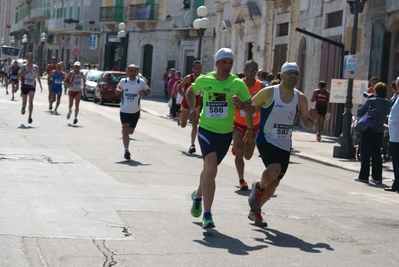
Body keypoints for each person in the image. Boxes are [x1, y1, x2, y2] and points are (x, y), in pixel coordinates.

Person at [187, 48, 255, 229]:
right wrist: (193, 109)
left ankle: (198, 195)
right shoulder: (204, 79)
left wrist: (241, 105)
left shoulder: (237, 84)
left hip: (225, 134)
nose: (227, 66)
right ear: (216, 63)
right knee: (211, 169)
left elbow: (252, 108)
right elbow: (189, 92)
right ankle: (207, 215)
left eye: (230, 63)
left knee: (209, 170)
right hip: (206, 129)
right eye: (224, 62)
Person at [244, 62, 317, 227]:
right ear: (282, 75)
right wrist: (250, 128)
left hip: (284, 142)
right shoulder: (269, 93)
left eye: (296, 73)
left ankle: (255, 211)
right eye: (290, 73)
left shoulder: (301, 98)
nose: (293, 76)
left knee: (275, 181)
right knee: (274, 170)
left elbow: (306, 124)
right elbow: (249, 108)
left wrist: (311, 118)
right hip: (266, 138)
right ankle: (258, 188)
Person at [232, 60, 264, 190]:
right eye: (250, 69)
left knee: (248, 156)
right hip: (238, 123)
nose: (253, 72)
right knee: (239, 152)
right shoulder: (238, 84)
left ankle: (238, 147)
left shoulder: (260, 86)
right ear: (244, 70)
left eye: (255, 70)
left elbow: (265, 104)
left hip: (255, 124)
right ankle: (241, 180)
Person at [355, 82, 391, 184]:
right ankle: (377, 177)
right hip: (379, 131)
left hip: (368, 130)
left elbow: (360, 111)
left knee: (365, 154)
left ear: (376, 91)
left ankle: (363, 176)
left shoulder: (371, 101)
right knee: (377, 154)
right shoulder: (387, 102)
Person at [115, 64, 151, 160]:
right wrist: (117, 90)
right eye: (131, 71)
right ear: (127, 72)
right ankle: (126, 150)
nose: (132, 73)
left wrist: (144, 93)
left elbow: (149, 91)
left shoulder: (141, 82)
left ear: (137, 72)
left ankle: (125, 131)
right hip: (124, 110)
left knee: (130, 131)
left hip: (135, 111)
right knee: (126, 129)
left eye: (134, 71)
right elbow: (117, 88)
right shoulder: (123, 82)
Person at [177, 60, 202, 154]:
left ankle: (192, 144)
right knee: (183, 125)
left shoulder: (203, 78)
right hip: (187, 102)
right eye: (196, 68)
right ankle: (181, 118)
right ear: (192, 69)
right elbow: (179, 87)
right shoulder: (188, 78)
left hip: (197, 102)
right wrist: (183, 95)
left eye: (199, 68)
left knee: (195, 123)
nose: (198, 70)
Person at [18, 52, 43, 124]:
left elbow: (37, 76)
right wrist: (26, 71)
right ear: (26, 59)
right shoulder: (23, 66)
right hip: (24, 85)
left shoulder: (36, 67)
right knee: (24, 102)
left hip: (32, 86)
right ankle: (23, 107)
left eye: (31, 57)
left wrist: (40, 85)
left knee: (31, 100)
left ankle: (30, 116)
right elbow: (19, 75)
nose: (30, 59)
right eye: (29, 57)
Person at [385, 77, 399, 192]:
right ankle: (396, 184)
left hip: (397, 135)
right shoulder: (397, 97)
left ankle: (397, 185)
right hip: (395, 134)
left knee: (397, 161)